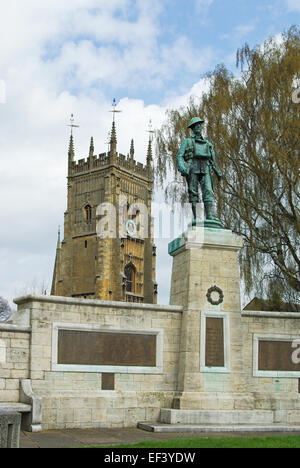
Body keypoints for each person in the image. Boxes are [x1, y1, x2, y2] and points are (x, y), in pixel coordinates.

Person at [176, 117, 222, 224]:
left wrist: (217, 172)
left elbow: (212, 160)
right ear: (192, 128)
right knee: (193, 192)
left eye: (199, 125)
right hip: (192, 167)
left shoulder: (208, 144)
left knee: (208, 191)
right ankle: (197, 216)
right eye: (196, 125)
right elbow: (179, 156)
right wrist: (183, 167)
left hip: (205, 168)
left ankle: (209, 215)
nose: (198, 126)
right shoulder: (187, 141)